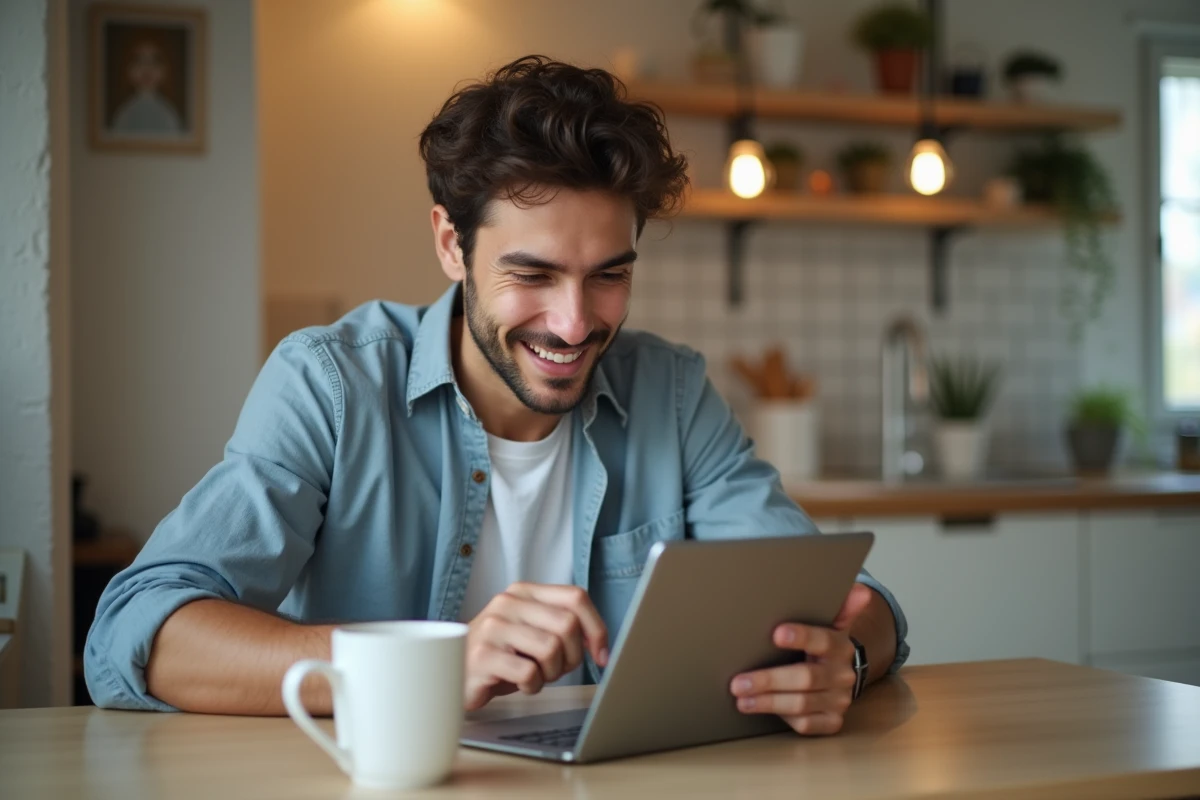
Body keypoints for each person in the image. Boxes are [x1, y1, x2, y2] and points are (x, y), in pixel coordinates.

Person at [85, 56, 908, 735]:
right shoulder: (329, 383)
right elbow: (136, 632)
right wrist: (426, 665)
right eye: (534, 274)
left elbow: (847, 601)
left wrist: (850, 660)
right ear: (452, 243)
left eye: (609, 277)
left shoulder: (673, 392)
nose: (575, 322)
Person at [110, 39, 184, 136]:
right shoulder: (123, 114)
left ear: (164, 69)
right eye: (139, 61)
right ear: (128, 69)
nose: (147, 68)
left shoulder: (169, 115)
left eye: (154, 61)